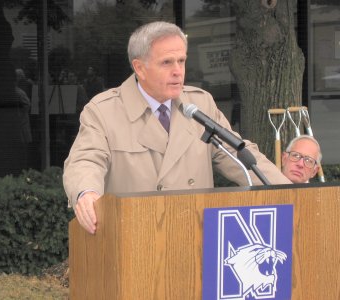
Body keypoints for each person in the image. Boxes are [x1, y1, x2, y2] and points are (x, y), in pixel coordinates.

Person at [63, 21, 291, 234]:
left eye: (181, 61)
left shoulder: (200, 104)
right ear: (139, 68)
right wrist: (86, 193)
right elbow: (86, 160)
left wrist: (290, 193)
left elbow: (239, 155)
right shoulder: (104, 111)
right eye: (167, 62)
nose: (178, 71)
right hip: (135, 239)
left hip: (196, 237)